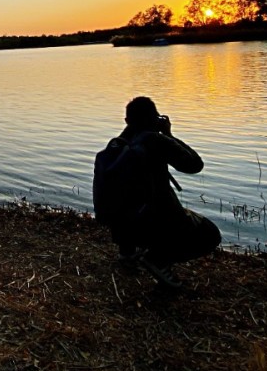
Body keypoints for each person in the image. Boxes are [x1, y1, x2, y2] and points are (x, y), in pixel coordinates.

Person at [93, 96, 220, 288]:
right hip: (154, 222)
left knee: (129, 202)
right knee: (211, 234)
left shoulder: (116, 146)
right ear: (155, 118)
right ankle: (159, 259)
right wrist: (168, 134)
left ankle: (127, 253)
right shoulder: (156, 140)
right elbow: (195, 165)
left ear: (127, 122)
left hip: (123, 226)